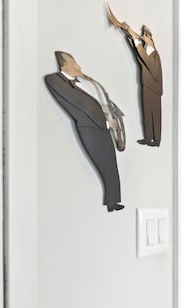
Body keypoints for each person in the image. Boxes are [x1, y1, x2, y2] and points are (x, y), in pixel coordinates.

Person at [45, 51, 124, 212]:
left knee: (112, 165)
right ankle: (111, 202)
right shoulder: (54, 79)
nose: (79, 66)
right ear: (64, 65)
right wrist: (108, 124)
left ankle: (113, 201)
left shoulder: (78, 83)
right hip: (92, 129)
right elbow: (83, 108)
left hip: (100, 128)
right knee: (105, 165)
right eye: (74, 63)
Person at [122, 23, 163, 146]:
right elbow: (140, 57)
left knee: (155, 114)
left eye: (146, 35)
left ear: (150, 38)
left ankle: (157, 140)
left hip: (154, 89)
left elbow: (146, 59)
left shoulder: (155, 55)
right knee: (146, 113)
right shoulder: (146, 52)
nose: (144, 37)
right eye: (143, 35)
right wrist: (130, 37)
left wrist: (136, 39)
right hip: (146, 85)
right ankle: (148, 137)